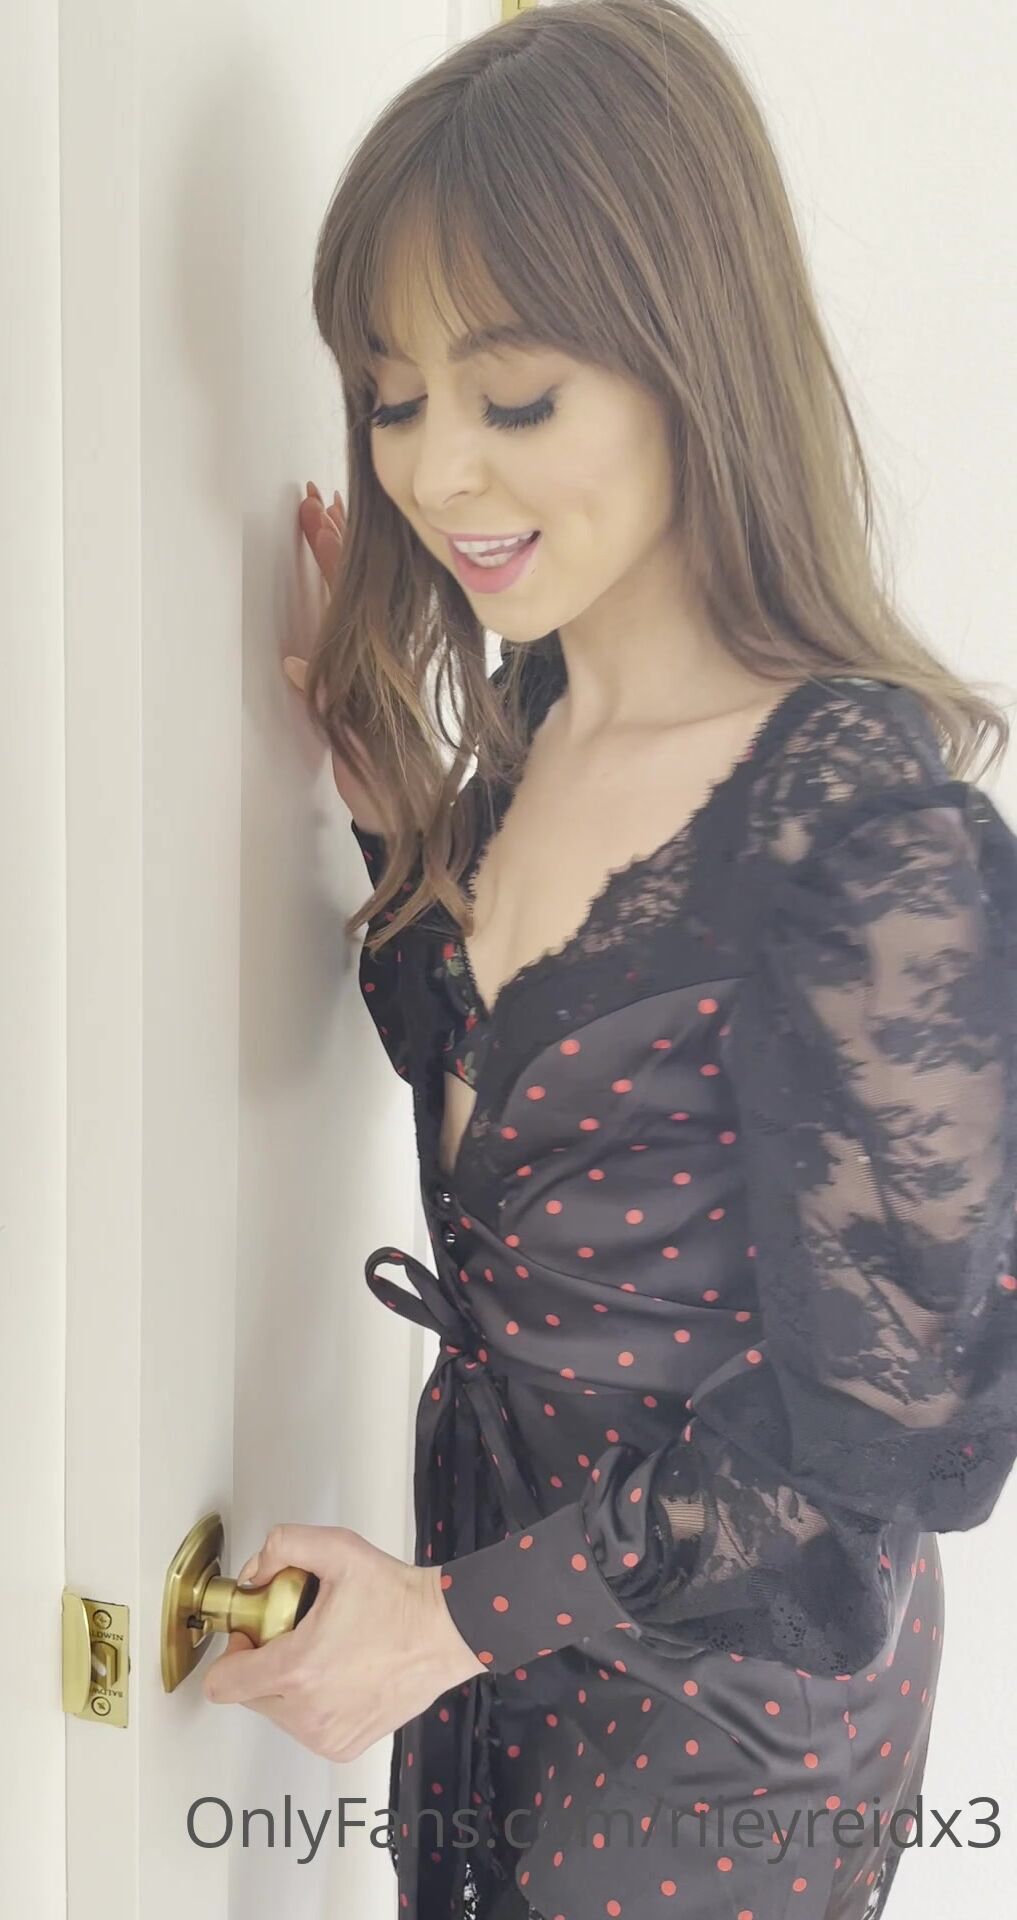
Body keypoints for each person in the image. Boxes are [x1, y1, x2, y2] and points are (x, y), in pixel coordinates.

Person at [235, 4, 1017, 1917]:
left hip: (726, 1723)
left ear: (690, 361)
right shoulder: (535, 733)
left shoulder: (861, 841)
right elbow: (515, 1097)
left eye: (513, 400)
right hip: (493, 1619)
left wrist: (447, 1621)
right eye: (391, 397)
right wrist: (401, 822)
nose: (438, 472)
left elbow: (877, 1460)